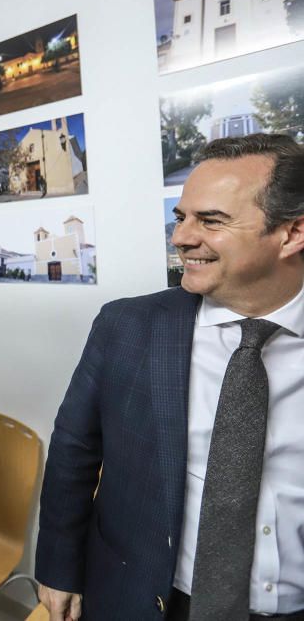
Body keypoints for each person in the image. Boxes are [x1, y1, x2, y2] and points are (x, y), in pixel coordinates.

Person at [36, 134, 304, 621]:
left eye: (211, 221)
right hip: (146, 599)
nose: (181, 236)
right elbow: (74, 449)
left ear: (292, 233)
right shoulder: (127, 327)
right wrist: (58, 565)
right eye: (182, 217)